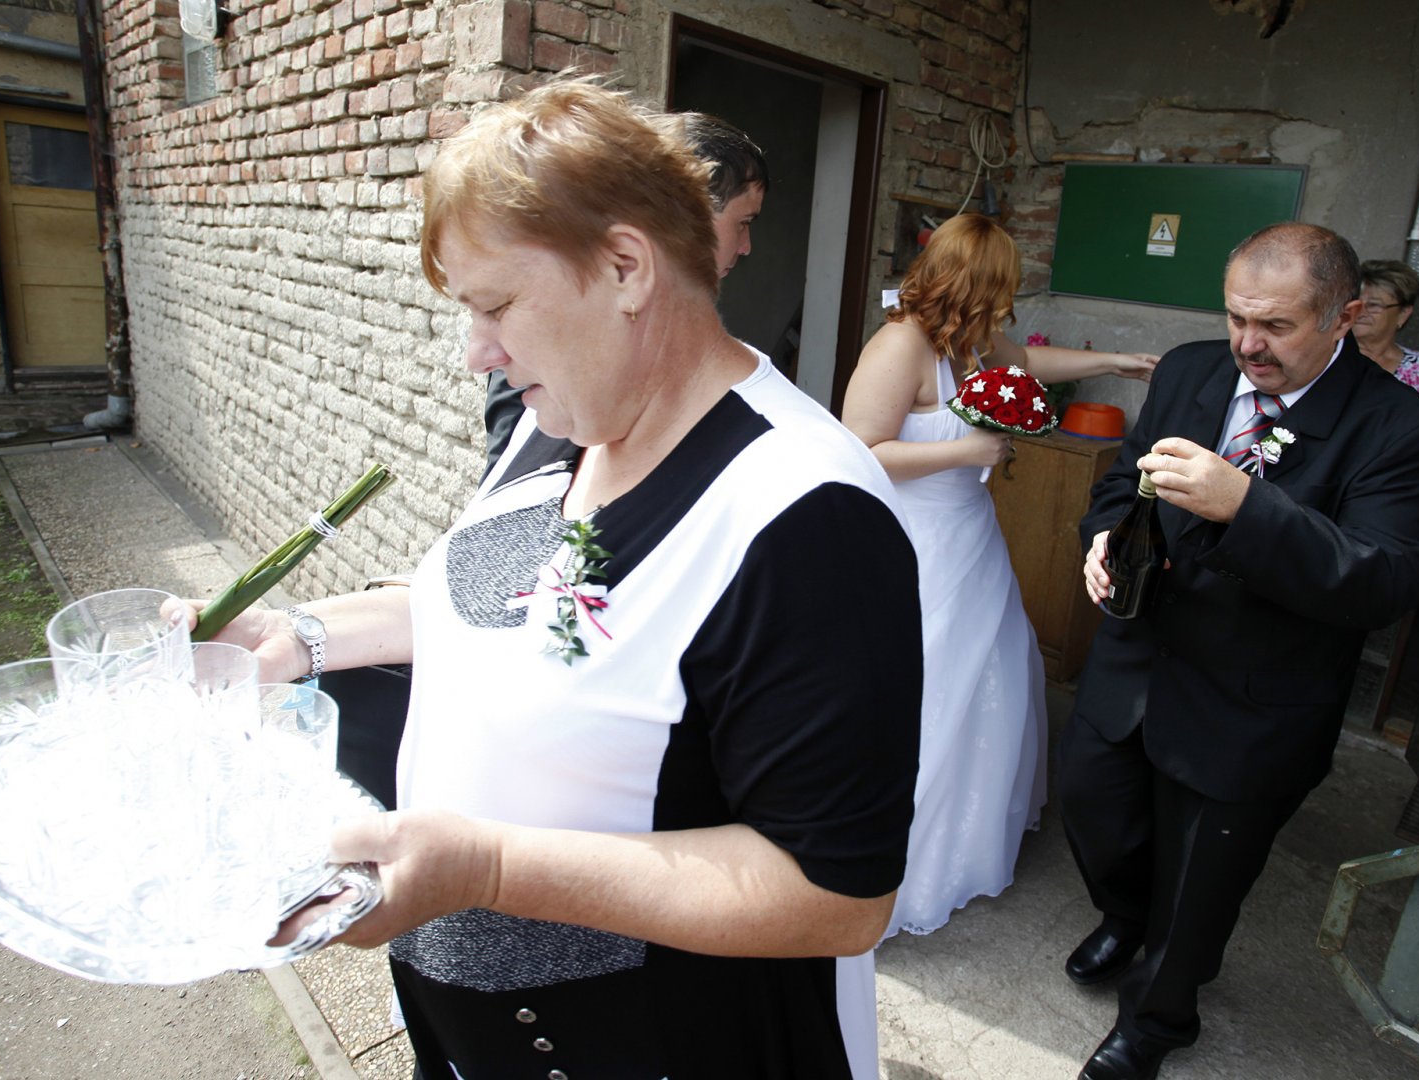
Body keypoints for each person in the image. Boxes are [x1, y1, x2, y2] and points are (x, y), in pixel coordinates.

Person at [184, 81, 921, 1079]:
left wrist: (488, 869)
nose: (475, 353)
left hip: (655, 1040)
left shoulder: (808, 513)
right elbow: (490, 609)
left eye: (494, 306)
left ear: (624, 267)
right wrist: (296, 638)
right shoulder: (565, 414)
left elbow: (835, 896)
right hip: (475, 1027)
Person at [1062, 223, 1419, 1080]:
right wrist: (1103, 535)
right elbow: (1126, 478)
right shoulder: (1190, 371)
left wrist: (1245, 506)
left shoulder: (1400, 427)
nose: (1247, 344)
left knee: (1199, 885)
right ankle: (1125, 918)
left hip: (1253, 699)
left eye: (1276, 325)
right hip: (1135, 662)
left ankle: (1158, 1018)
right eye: (1236, 317)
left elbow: (1383, 580)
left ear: (1344, 315)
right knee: (1093, 814)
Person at [840, 213, 1157, 938]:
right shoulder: (899, 346)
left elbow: (1031, 363)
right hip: (909, 543)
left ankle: (964, 832)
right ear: (966, 284)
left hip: (971, 541)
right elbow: (857, 450)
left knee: (991, 673)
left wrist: (1119, 361)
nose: (1006, 307)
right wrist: (964, 452)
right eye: (1000, 290)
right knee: (917, 689)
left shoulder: (974, 341)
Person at [481, 111, 768, 472]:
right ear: (693, 211)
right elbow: (512, 481)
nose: (746, 247)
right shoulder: (555, 327)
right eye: (743, 223)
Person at [1354, 258, 1419, 569]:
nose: (1362, 310)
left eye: (1374, 305)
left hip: (1386, 500)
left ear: (1403, 314)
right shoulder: (1326, 358)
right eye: (1357, 301)